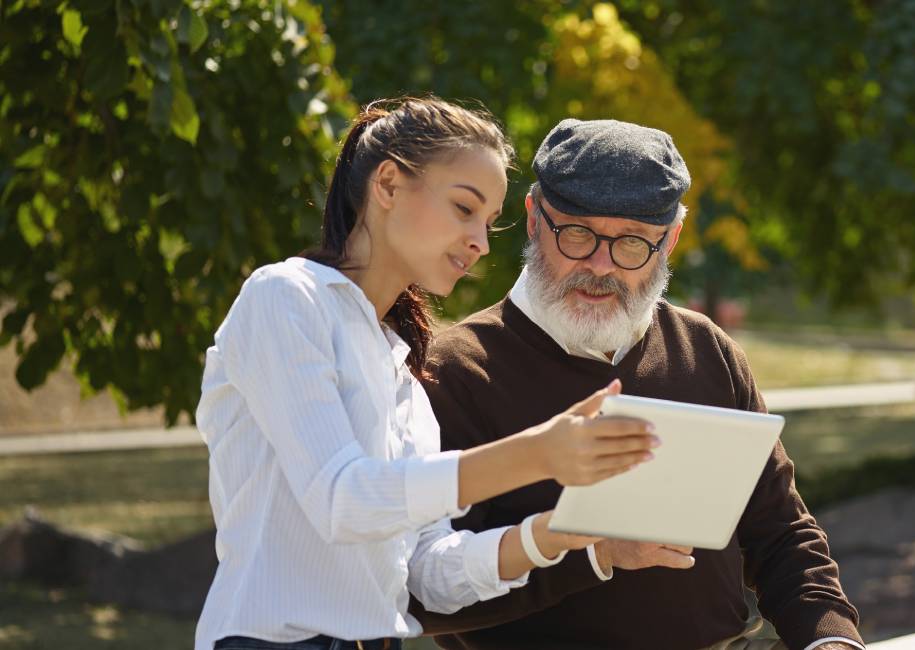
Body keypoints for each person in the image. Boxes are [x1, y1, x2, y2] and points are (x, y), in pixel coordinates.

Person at [192, 99, 659, 650]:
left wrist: (557, 534)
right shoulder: (286, 298)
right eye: (464, 208)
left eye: (488, 223)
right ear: (387, 184)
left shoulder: (404, 371)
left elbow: (425, 573)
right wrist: (538, 453)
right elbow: (343, 499)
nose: (481, 243)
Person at [413, 119, 864, 650]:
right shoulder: (452, 370)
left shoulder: (709, 352)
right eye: (577, 234)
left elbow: (781, 534)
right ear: (535, 218)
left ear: (670, 239)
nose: (601, 266)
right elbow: (423, 595)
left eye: (632, 243)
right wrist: (593, 554)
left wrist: (831, 640)